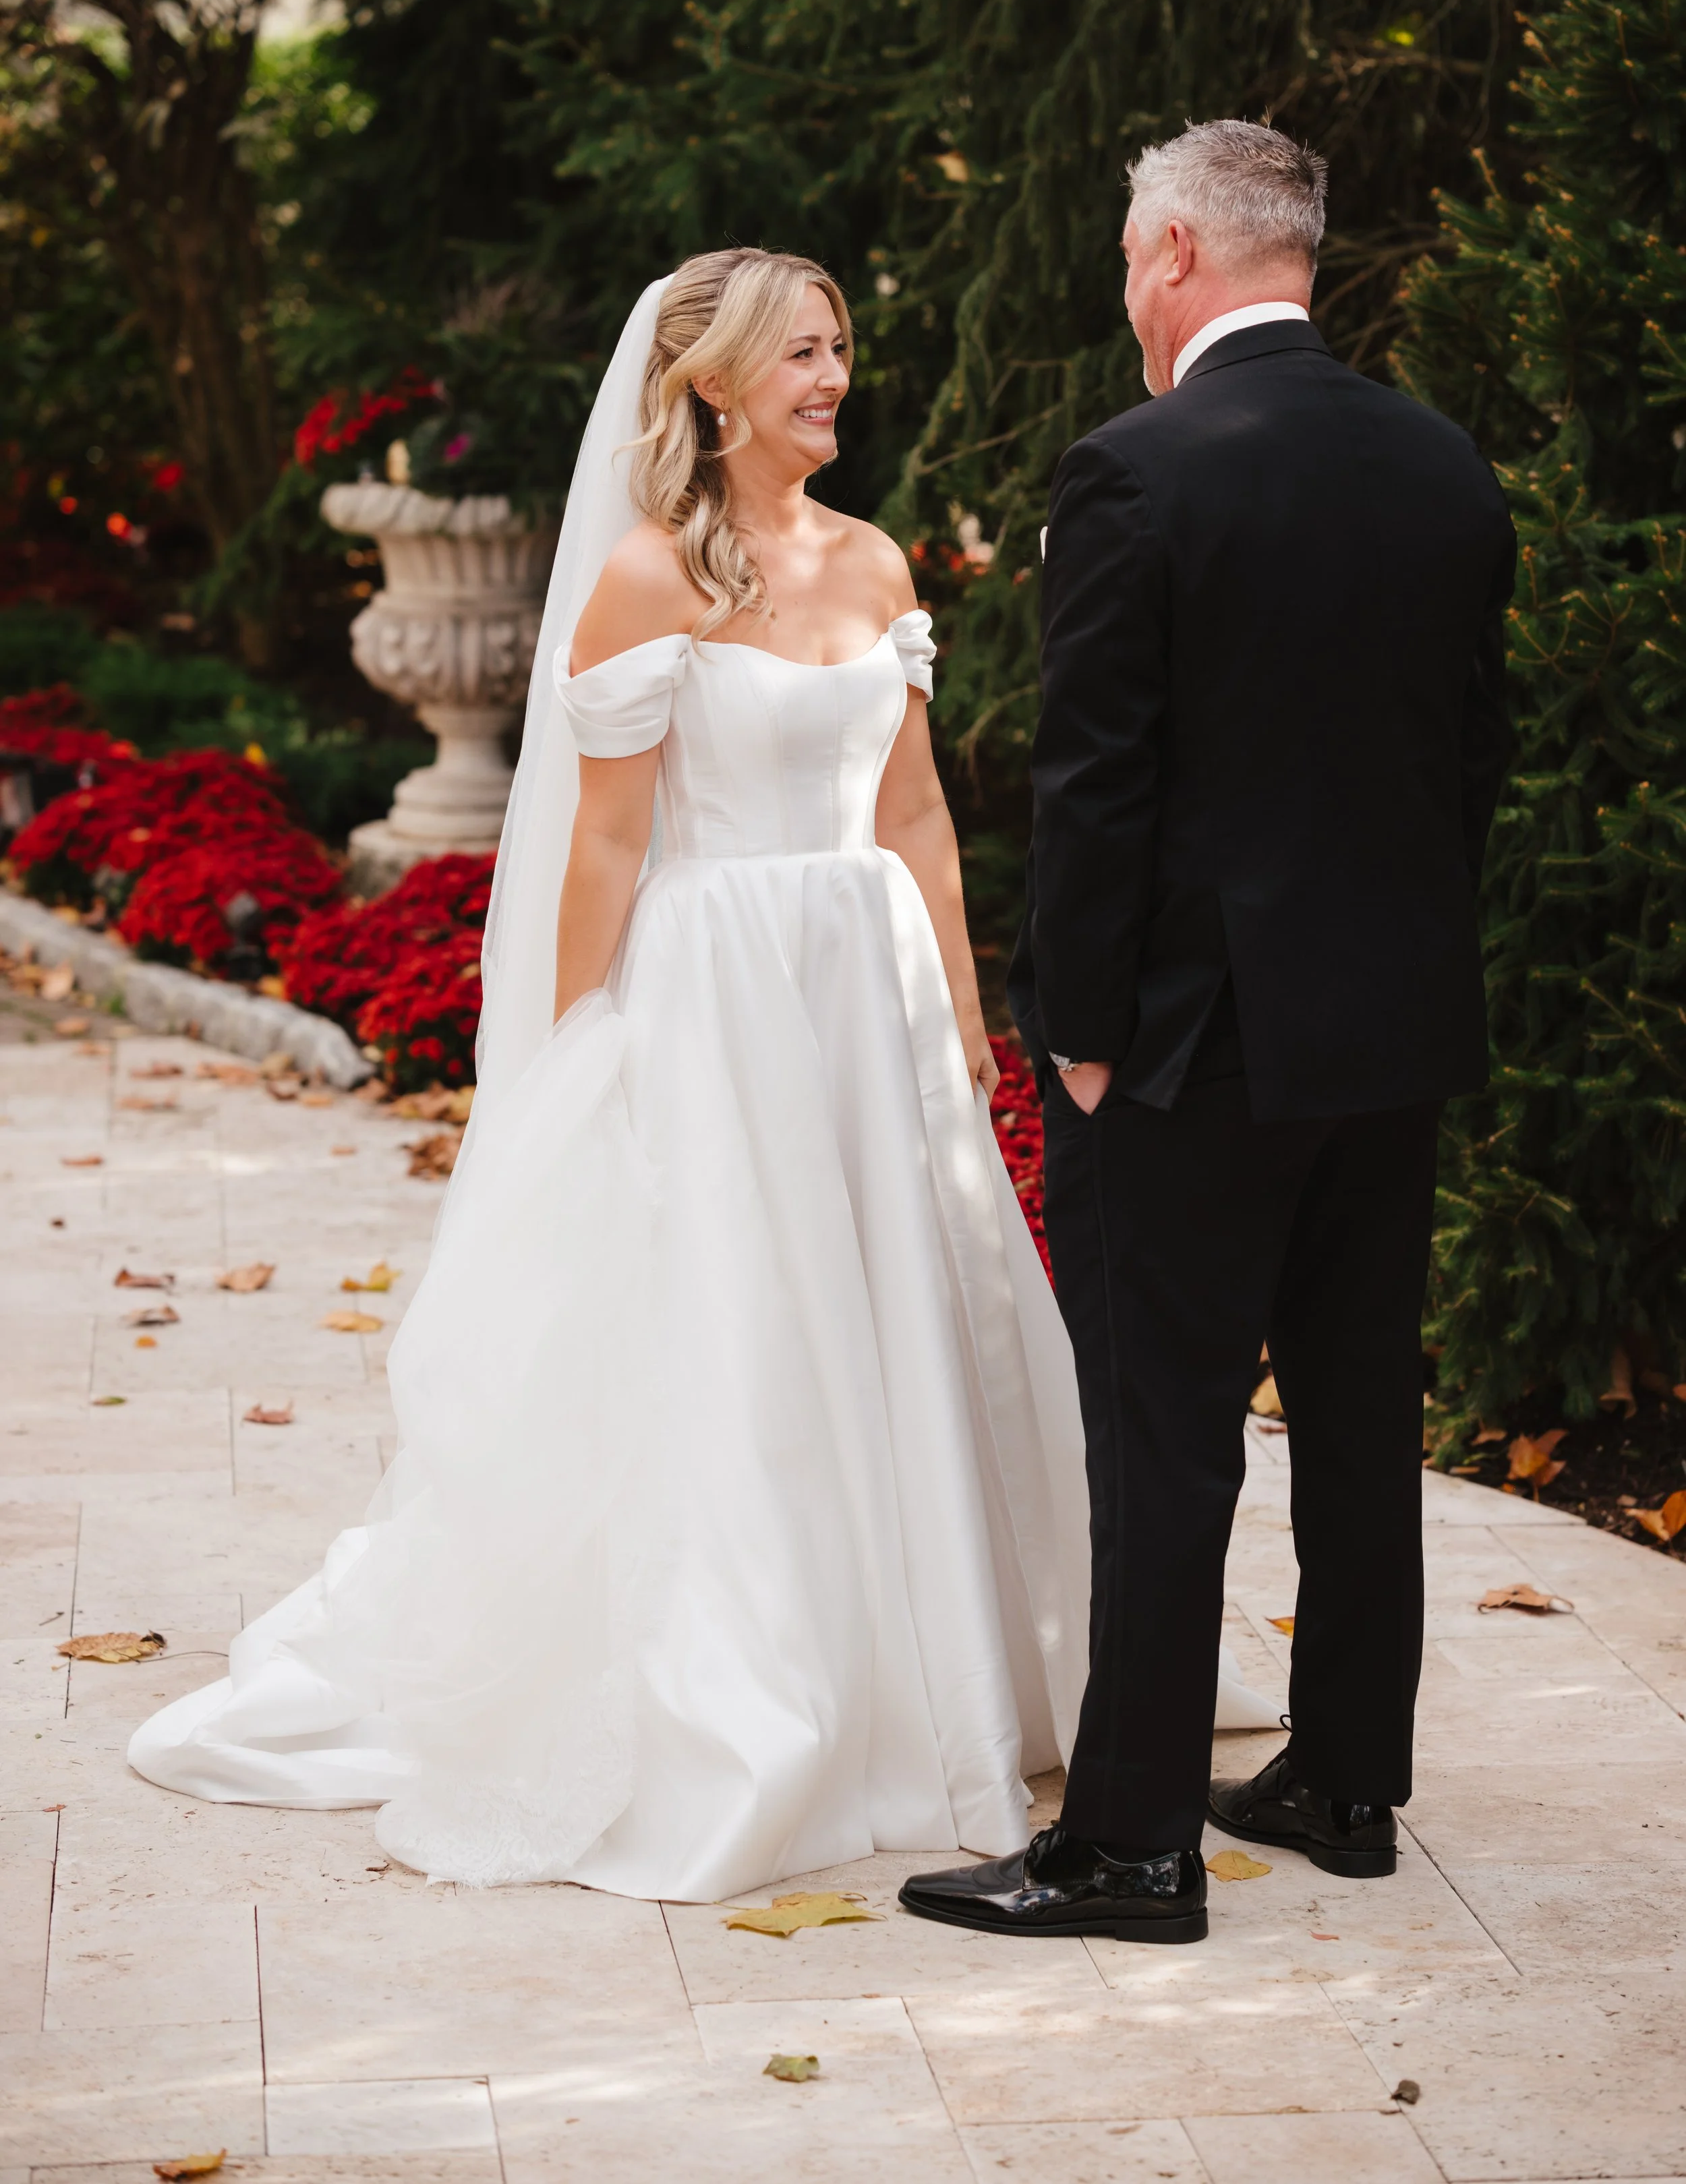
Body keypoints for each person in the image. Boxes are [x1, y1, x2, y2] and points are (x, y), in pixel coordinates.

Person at [127, 247, 1278, 1905]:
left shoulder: (879, 563)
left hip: (864, 986)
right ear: (714, 385)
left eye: (840, 349)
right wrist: (562, 1045)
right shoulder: (649, 579)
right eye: (801, 353)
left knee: (910, 1313)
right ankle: (775, 1691)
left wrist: (959, 1013)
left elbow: (912, 813)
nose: (833, 376)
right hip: (719, 994)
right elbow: (601, 843)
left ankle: (959, 1647)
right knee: (747, 1330)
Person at [899, 122, 1515, 1944]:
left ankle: (1130, 1841)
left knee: (1158, 1432)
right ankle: (1341, 1776)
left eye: (1120, 251)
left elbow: (1097, 786)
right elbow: (1466, 761)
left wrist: (1075, 1029)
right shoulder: (1443, 464)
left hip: (1181, 1047)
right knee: (1351, 1409)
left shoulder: (1136, 469)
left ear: (1172, 254)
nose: (1120, 280)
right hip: (1385, 1028)